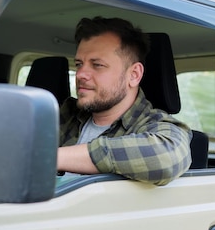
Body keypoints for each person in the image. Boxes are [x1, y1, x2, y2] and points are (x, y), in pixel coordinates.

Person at [57, 16, 192, 186]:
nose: (80, 74)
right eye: (79, 64)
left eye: (97, 65)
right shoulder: (66, 115)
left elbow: (168, 156)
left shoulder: (153, 125)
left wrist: (52, 157)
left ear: (134, 75)